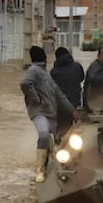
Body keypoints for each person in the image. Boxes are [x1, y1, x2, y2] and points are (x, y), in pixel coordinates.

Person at [20, 45, 80, 183]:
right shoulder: (34, 70)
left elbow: (59, 95)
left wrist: (72, 110)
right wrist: (36, 99)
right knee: (44, 134)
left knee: (58, 141)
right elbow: (25, 83)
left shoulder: (46, 74)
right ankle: (40, 170)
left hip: (50, 114)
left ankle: (53, 167)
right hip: (39, 112)